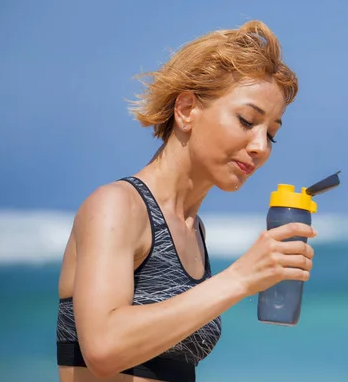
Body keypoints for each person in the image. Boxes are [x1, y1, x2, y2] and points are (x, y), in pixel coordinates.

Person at [55, 20, 317, 382]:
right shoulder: (117, 206)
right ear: (187, 109)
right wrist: (240, 279)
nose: (260, 146)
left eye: (271, 134)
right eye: (247, 120)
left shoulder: (193, 230)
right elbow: (103, 348)